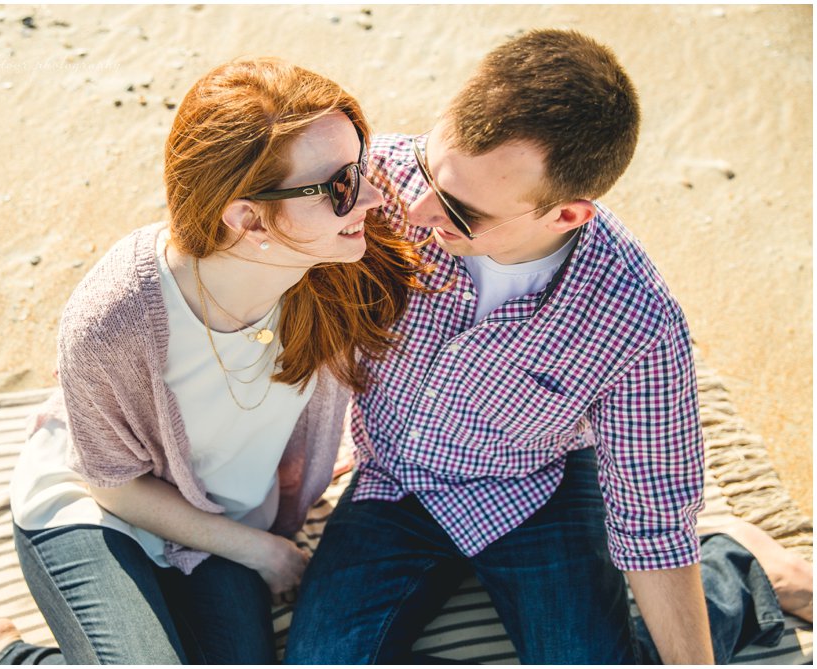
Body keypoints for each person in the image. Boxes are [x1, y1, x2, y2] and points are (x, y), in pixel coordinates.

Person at [284, 29, 813, 665]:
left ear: (566, 215)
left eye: (460, 209)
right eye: (429, 166)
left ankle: (737, 569)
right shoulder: (376, 186)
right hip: (392, 480)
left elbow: (654, 526)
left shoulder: (637, 322)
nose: (418, 211)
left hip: (538, 489)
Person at [0, 57, 420, 665]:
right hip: (99, 506)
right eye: (342, 184)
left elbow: (470, 180)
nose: (372, 196)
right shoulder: (114, 317)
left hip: (219, 510)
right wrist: (262, 551)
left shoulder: (342, 266)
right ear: (248, 218)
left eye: (363, 164)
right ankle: (7, 656)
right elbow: (110, 481)